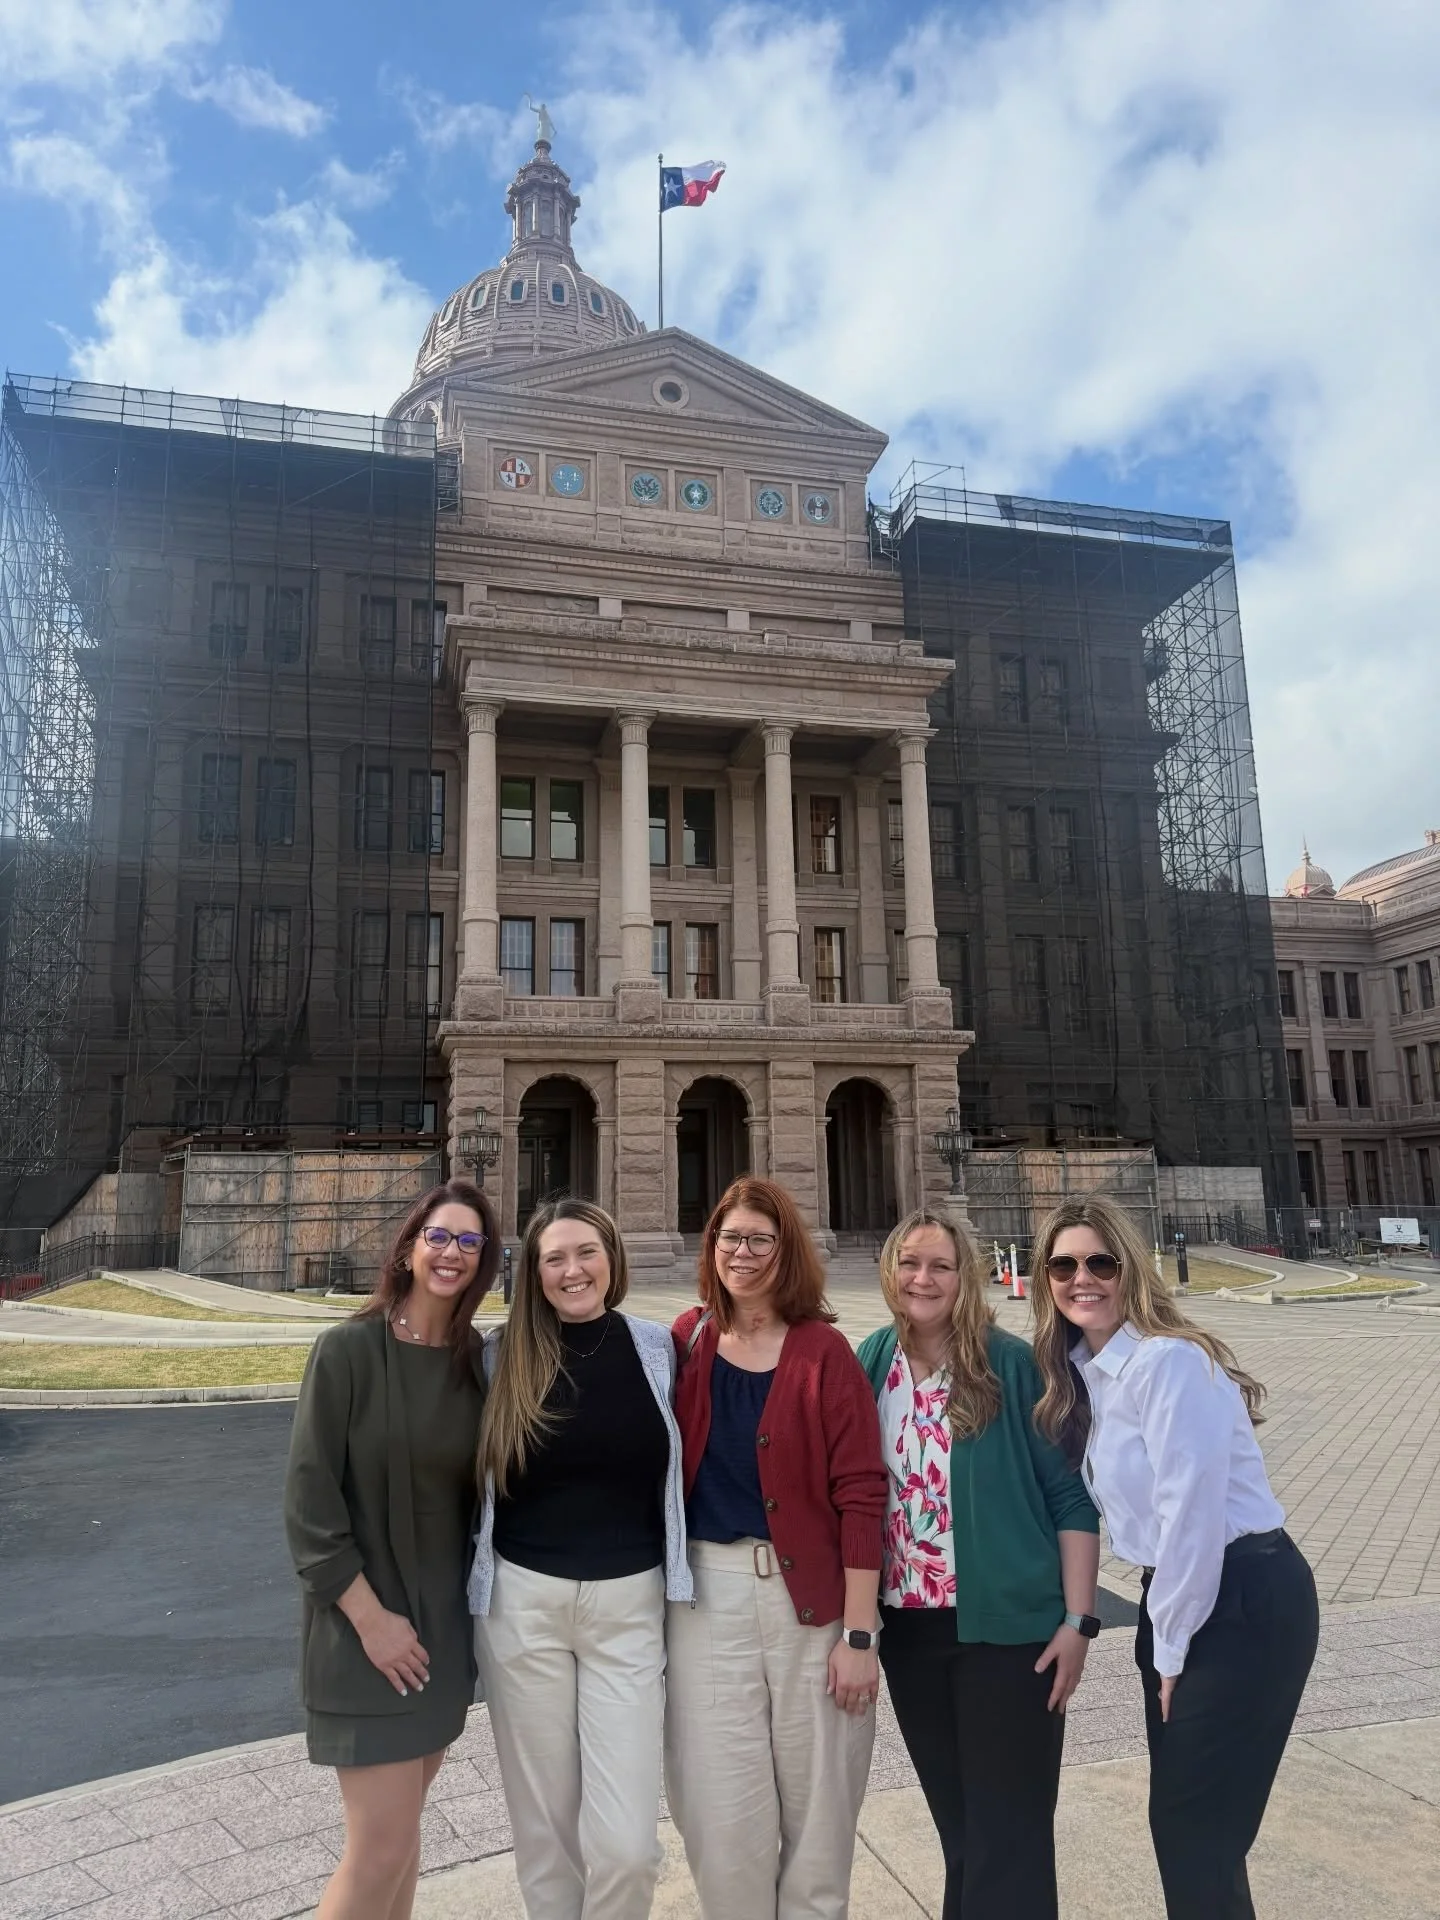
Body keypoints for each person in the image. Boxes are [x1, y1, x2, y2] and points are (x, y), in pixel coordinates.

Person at [1029, 1194, 1319, 1920]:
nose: (1081, 1278)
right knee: (1193, 1831)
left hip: (1242, 1597)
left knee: (1195, 1831)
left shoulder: (1168, 1363)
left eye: (1101, 1262)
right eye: (1063, 1266)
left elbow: (1191, 1516)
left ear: (1131, 1268)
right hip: (1180, 1597)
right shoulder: (1088, 1374)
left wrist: (1170, 1648)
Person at [855, 1209, 1100, 1920]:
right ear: (889, 1272)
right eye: (909, 1263)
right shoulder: (872, 1360)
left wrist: (1079, 1621)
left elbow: (1070, 1497)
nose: (922, 1278)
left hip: (1010, 1635)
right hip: (911, 1634)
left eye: (941, 1265)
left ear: (967, 1276)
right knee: (963, 1838)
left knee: (1009, 1839)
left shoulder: (1010, 1364)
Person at [666, 1176, 887, 1920]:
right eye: (730, 1238)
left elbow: (863, 1493)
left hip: (812, 1608)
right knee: (720, 1815)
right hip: (706, 1603)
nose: (743, 1252)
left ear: (786, 1250)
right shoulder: (686, 1341)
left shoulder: (824, 1351)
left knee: (821, 1809)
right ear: (712, 1247)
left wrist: (860, 1634)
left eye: (761, 1239)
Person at [469, 1197, 690, 1920]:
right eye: (554, 1258)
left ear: (612, 1258)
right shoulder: (498, 1356)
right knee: (546, 1836)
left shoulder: (658, 1349)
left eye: (586, 1252)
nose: (573, 1270)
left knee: (628, 1847)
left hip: (629, 1609)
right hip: (522, 1607)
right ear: (533, 1273)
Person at [284, 1177, 497, 1920]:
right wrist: (373, 1623)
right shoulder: (346, 1350)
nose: (451, 1252)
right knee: (377, 1853)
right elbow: (309, 1508)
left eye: (469, 1241)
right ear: (408, 1248)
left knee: (402, 1846)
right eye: (438, 1236)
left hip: (440, 1639)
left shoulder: (475, 1361)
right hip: (364, 1634)